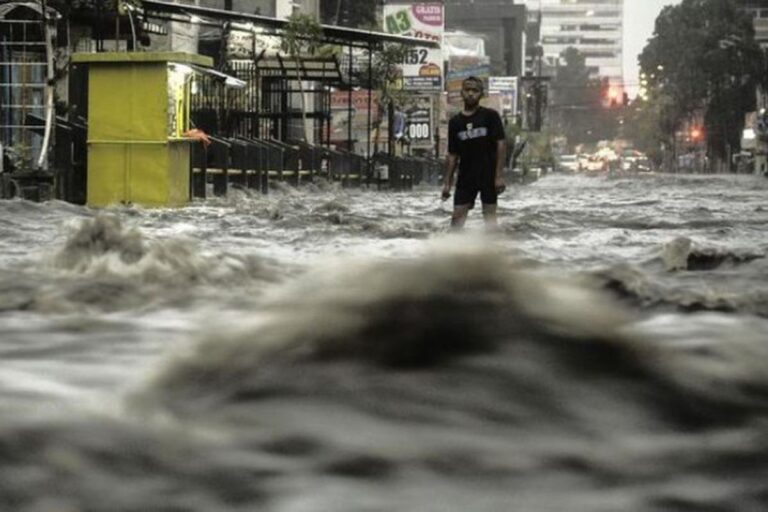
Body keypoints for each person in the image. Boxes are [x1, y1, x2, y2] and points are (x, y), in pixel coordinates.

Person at [441, 76, 507, 229]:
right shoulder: (455, 122)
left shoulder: (490, 116)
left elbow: (501, 144)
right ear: (462, 93)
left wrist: (498, 176)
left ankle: (492, 243)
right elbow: (452, 154)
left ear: (481, 94)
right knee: (457, 219)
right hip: (466, 176)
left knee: (490, 218)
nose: (471, 93)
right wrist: (447, 183)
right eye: (467, 90)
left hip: (488, 174)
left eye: (475, 90)